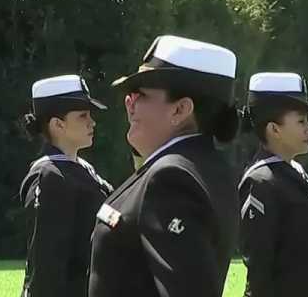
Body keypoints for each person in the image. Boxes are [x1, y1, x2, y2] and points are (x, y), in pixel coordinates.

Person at [88, 35, 240, 297]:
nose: (129, 102)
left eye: (141, 95)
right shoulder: (200, 166)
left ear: (180, 110)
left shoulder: (170, 179)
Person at [239, 72, 308, 297]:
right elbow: (259, 273)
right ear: (274, 129)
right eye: (301, 121)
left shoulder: (292, 172)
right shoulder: (261, 181)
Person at [19, 74, 112, 297]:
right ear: (57, 124)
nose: (92, 122)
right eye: (82, 116)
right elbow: (47, 265)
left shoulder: (81, 169)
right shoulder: (50, 176)